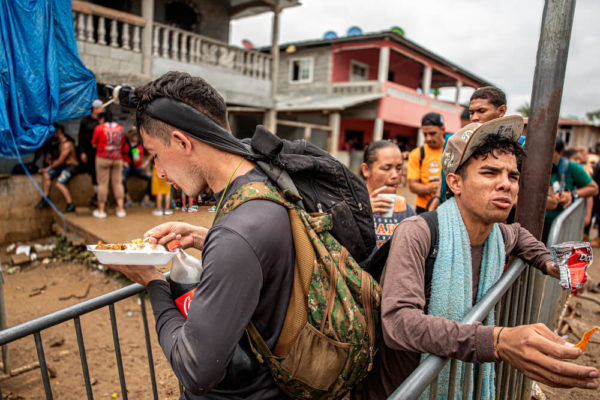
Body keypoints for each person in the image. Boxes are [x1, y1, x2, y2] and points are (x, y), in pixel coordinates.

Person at [361, 116, 599, 399]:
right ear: (455, 182)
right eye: (489, 173)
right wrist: (498, 341)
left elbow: (520, 236)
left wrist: (553, 264)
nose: (505, 185)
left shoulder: (499, 235)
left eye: (512, 176)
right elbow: (399, 323)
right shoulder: (417, 233)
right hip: (401, 391)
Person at [106, 71, 295, 399]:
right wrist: (204, 237)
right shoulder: (263, 186)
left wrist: (151, 281)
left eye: (155, 155)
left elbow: (196, 369)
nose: (160, 173)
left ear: (181, 142)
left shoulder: (238, 233)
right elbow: (262, 259)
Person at [360, 141, 416, 248]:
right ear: (366, 170)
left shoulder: (403, 207)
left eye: (399, 168)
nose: (395, 175)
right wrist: (363, 212)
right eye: (386, 168)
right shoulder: (351, 204)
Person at [543, 139, 598, 243]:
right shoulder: (533, 166)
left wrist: (573, 194)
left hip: (561, 224)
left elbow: (594, 188)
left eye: (549, 152)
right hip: (536, 223)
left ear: (558, 153)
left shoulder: (570, 167)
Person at [34, 124, 79, 212]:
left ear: (59, 132)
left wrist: (48, 168)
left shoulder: (67, 144)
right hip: (63, 166)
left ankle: (70, 204)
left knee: (60, 183)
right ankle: (45, 198)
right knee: (47, 175)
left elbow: (60, 160)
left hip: (71, 166)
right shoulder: (59, 143)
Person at [91, 109, 127, 218]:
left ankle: (101, 211)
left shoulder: (99, 128)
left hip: (103, 158)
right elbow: (121, 143)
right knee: (117, 183)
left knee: (102, 184)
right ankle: (121, 209)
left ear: (102, 118)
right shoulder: (120, 128)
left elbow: (93, 144)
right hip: (117, 158)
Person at [407, 112, 445, 214]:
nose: (428, 138)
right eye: (425, 134)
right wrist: (430, 188)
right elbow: (412, 185)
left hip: (446, 206)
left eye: (432, 134)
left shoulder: (451, 150)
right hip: (423, 207)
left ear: (443, 130)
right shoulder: (417, 154)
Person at [78, 99, 104, 207]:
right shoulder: (85, 121)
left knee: (101, 174)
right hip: (90, 152)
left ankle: (100, 197)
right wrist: (82, 152)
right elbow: (81, 137)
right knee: (93, 173)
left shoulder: (103, 121)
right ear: (95, 109)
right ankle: (97, 194)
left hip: (102, 152)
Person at [122, 126, 154, 208]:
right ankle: (128, 199)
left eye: (136, 135)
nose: (135, 137)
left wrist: (146, 163)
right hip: (127, 167)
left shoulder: (141, 144)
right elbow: (118, 153)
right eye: (133, 135)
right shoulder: (125, 142)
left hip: (138, 167)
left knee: (151, 178)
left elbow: (151, 153)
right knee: (121, 179)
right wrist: (122, 162)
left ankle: (146, 199)